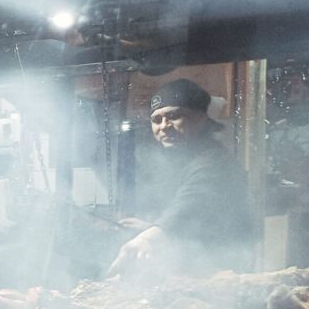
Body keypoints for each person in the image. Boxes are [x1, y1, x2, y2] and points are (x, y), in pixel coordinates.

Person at [108, 78, 255, 277]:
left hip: (221, 270)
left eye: (175, 116)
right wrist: (151, 227)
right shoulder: (179, 160)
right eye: (156, 120)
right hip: (190, 267)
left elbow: (195, 200)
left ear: (201, 118)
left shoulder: (215, 161)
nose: (164, 126)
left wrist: (149, 237)